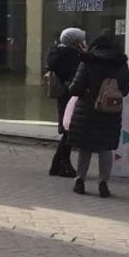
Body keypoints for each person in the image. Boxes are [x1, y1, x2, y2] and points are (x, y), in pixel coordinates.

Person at [66, 33, 129, 198]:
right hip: (110, 112)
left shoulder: (88, 61)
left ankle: (80, 181)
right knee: (105, 149)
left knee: (85, 148)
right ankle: (103, 184)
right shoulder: (120, 63)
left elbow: (75, 88)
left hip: (87, 110)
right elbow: (125, 89)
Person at [45, 27, 86, 177]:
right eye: (81, 40)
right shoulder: (70, 55)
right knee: (69, 130)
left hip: (64, 95)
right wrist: (85, 53)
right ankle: (62, 165)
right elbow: (75, 75)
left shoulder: (59, 53)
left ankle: (57, 164)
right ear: (75, 41)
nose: (83, 42)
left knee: (68, 129)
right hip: (69, 95)